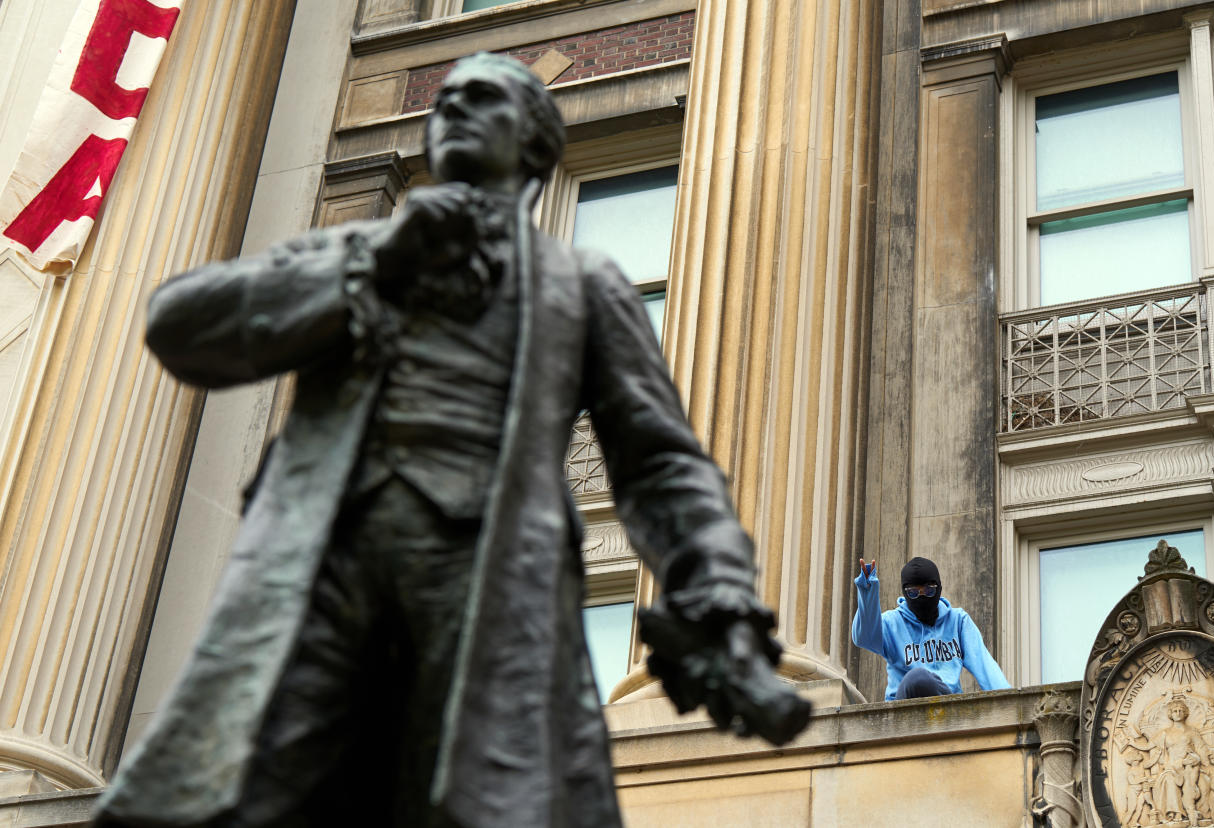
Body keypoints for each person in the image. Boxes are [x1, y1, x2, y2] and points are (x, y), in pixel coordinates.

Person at [92, 52, 806, 828]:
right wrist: (376, 265)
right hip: (327, 562)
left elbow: (662, 463)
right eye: (445, 101)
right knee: (248, 794)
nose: (455, 109)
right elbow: (181, 325)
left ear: (535, 147)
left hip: (492, 574)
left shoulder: (582, 283)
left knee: (485, 805)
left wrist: (718, 593)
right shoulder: (353, 253)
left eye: (484, 99)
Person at [851, 556, 1009, 700]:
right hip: (903, 707)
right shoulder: (892, 623)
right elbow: (864, 637)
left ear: (939, 589)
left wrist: (1009, 700)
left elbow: (983, 663)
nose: (922, 597)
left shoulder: (958, 621)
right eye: (913, 593)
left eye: (929, 591)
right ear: (905, 594)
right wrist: (867, 593)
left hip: (947, 704)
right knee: (917, 679)